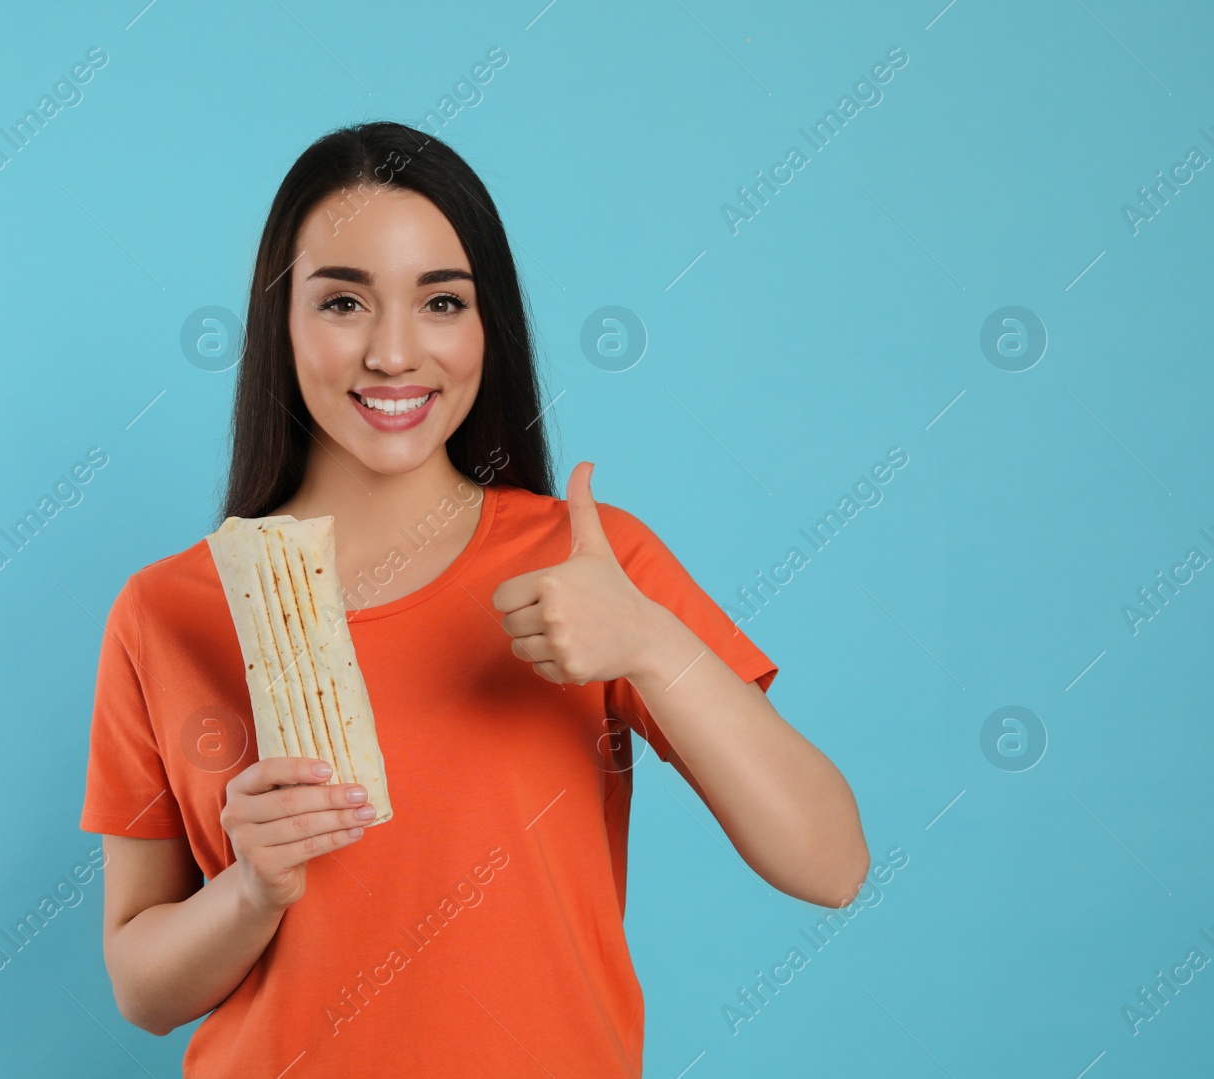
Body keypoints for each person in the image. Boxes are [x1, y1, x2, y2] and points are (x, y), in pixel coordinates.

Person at [79, 120, 868, 1076]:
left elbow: (831, 865)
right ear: (280, 325)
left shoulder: (590, 565)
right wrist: (252, 888)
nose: (394, 353)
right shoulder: (167, 608)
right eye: (343, 304)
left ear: (486, 323)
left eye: (441, 301)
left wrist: (656, 644)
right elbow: (140, 989)